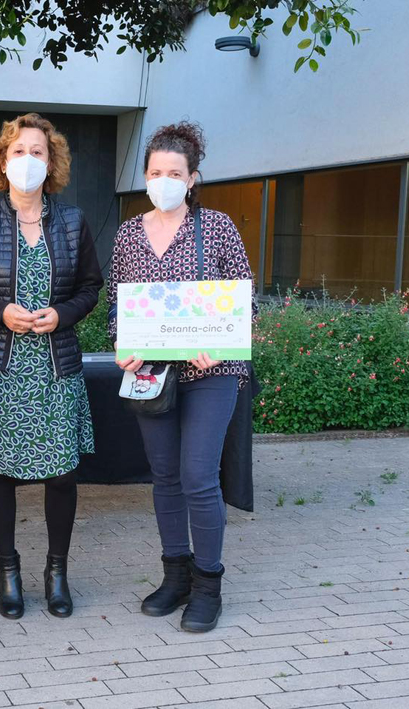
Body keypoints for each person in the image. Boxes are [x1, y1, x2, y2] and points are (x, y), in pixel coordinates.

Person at [0, 113, 102, 620]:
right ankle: (7, 570)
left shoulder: (74, 221)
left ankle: (57, 572)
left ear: (51, 161)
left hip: (54, 371)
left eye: (38, 151)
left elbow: (91, 288)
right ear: (2, 161)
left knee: (61, 477)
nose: (28, 160)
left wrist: (63, 314)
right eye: (18, 151)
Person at [109, 121, 255, 633]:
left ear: (193, 177)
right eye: (155, 171)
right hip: (152, 373)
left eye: (175, 172)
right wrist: (122, 345)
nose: (164, 179)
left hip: (212, 372)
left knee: (197, 476)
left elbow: (245, 301)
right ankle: (175, 575)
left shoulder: (216, 228)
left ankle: (208, 584)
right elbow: (117, 307)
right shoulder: (129, 233)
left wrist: (219, 345)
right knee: (165, 475)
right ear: (145, 175)